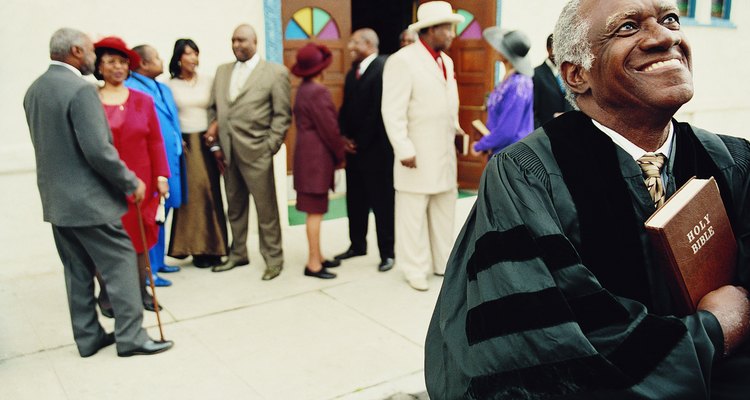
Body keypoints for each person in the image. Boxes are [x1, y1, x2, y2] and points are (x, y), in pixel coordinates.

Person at [425, 0, 750, 398]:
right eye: (628, 27)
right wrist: (712, 332)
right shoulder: (526, 178)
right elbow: (543, 345)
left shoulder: (733, 160)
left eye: (669, 19)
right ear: (577, 74)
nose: (666, 37)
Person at [23, 28, 172, 357]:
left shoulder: (35, 90)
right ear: (76, 51)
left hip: (56, 200)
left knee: (77, 270)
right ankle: (131, 336)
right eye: (91, 51)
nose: (93, 56)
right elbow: (98, 150)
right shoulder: (81, 90)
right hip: (89, 200)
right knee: (120, 259)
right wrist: (131, 182)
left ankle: (88, 337)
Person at [381, 1, 464, 291]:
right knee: (412, 214)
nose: (453, 34)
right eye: (448, 28)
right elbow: (392, 111)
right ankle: (413, 268)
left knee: (444, 209)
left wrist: (456, 131)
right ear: (431, 30)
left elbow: (447, 103)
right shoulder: (402, 60)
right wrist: (403, 149)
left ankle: (443, 263)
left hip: (442, 151)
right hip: (415, 154)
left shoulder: (447, 61)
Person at [207, 24, 291, 281]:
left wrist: (269, 147)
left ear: (255, 41)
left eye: (242, 40)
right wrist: (217, 145)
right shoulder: (222, 72)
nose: (236, 45)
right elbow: (214, 110)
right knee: (235, 206)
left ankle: (273, 259)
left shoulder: (275, 73)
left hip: (258, 153)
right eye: (233, 40)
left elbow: (282, 114)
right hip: (228, 154)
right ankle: (238, 253)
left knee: (266, 211)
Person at [94, 36, 170, 313]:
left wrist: (162, 176)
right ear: (99, 66)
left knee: (139, 240)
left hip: (141, 184)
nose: (118, 67)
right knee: (107, 245)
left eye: (123, 62)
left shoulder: (143, 100)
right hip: (105, 185)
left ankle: (141, 292)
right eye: (111, 61)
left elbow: (156, 141)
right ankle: (107, 296)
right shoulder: (90, 100)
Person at [334, 28, 395, 272]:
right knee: (355, 200)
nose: (349, 48)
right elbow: (346, 108)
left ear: (369, 43)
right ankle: (357, 244)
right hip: (355, 151)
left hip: (376, 151)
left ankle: (387, 253)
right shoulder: (352, 73)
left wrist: (359, 140)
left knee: (382, 204)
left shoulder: (384, 67)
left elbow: (378, 111)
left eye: (354, 43)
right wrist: (343, 137)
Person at [166, 39, 229, 269]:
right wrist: (174, 137)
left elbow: (220, 108)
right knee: (192, 196)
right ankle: (195, 248)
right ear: (179, 58)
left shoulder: (209, 81)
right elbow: (167, 115)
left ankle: (216, 247)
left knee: (211, 192)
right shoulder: (169, 85)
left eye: (195, 53)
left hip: (208, 141)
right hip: (186, 145)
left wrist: (215, 127)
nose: (193, 58)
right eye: (188, 54)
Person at [125, 44, 184, 287]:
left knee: (162, 213)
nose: (162, 60)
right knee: (149, 217)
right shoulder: (131, 89)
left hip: (172, 161)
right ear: (143, 64)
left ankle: (159, 262)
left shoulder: (163, 88)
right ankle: (148, 269)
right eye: (157, 57)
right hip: (150, 166)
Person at [290, 43, 346, 279]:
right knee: (315, 212)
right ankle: (313, 263)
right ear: (320, 69)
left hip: (305, 156)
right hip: (316, 160)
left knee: (315, 210)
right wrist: (340, 154)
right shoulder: (318, 91)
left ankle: (318, 255)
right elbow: (330, 130)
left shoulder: (303, 89)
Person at [470, 28, 534, 156]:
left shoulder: (519, 84)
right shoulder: (509, 79)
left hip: (511, 157)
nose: (496, 48)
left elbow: (507, 131)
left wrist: (480, 145)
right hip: (500, 151)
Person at [532, 33, 574, 128]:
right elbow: (532, 111)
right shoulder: (536, 74)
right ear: (549, 49)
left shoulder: (570, 74)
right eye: (558, 49)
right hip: (545, 134)